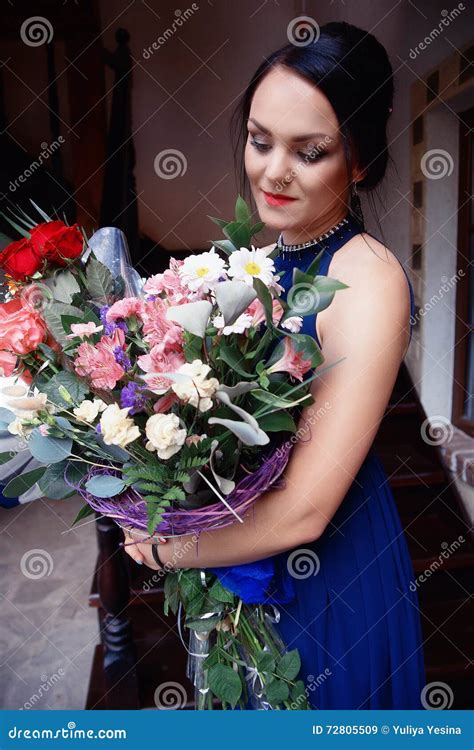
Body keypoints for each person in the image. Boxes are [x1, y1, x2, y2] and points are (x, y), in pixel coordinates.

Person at [123, 21, 426, 709]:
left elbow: (308, 511)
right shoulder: (262, 262)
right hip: (241, 551)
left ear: (360, 160)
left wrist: (164, 545)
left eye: (309, 151)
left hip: (327, 573)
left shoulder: (366, 278)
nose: (273, 171)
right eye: (261, 142)